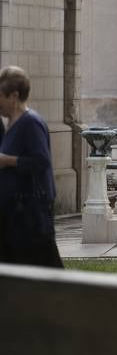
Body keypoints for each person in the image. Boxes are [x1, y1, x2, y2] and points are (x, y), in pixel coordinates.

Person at [0, 66, 63, 267]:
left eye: (0, 95)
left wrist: (6, 160)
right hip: (13, 213)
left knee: (41, 270)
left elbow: (41, 161)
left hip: (30, 214)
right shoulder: (10, 124)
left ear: (14, 96)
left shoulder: (30, 123)